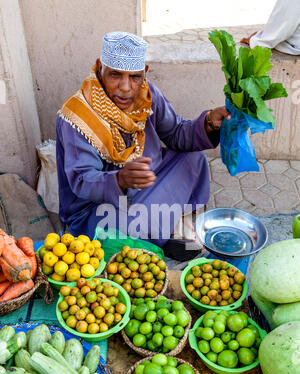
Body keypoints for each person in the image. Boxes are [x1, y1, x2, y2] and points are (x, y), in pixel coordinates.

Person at [56, 32, 230, 261]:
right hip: (97, 206)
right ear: (100, 68)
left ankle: (162, 228)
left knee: (193, 159)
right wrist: (120, 180)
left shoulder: (147, 95)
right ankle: (159, 234)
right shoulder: (78, 117)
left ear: (144, 72)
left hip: (145, 181)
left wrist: (209, 122)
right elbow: (82, 180)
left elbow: (176, 132)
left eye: (135, 77)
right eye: (115, 75)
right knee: (124, 230)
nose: (126, 87)